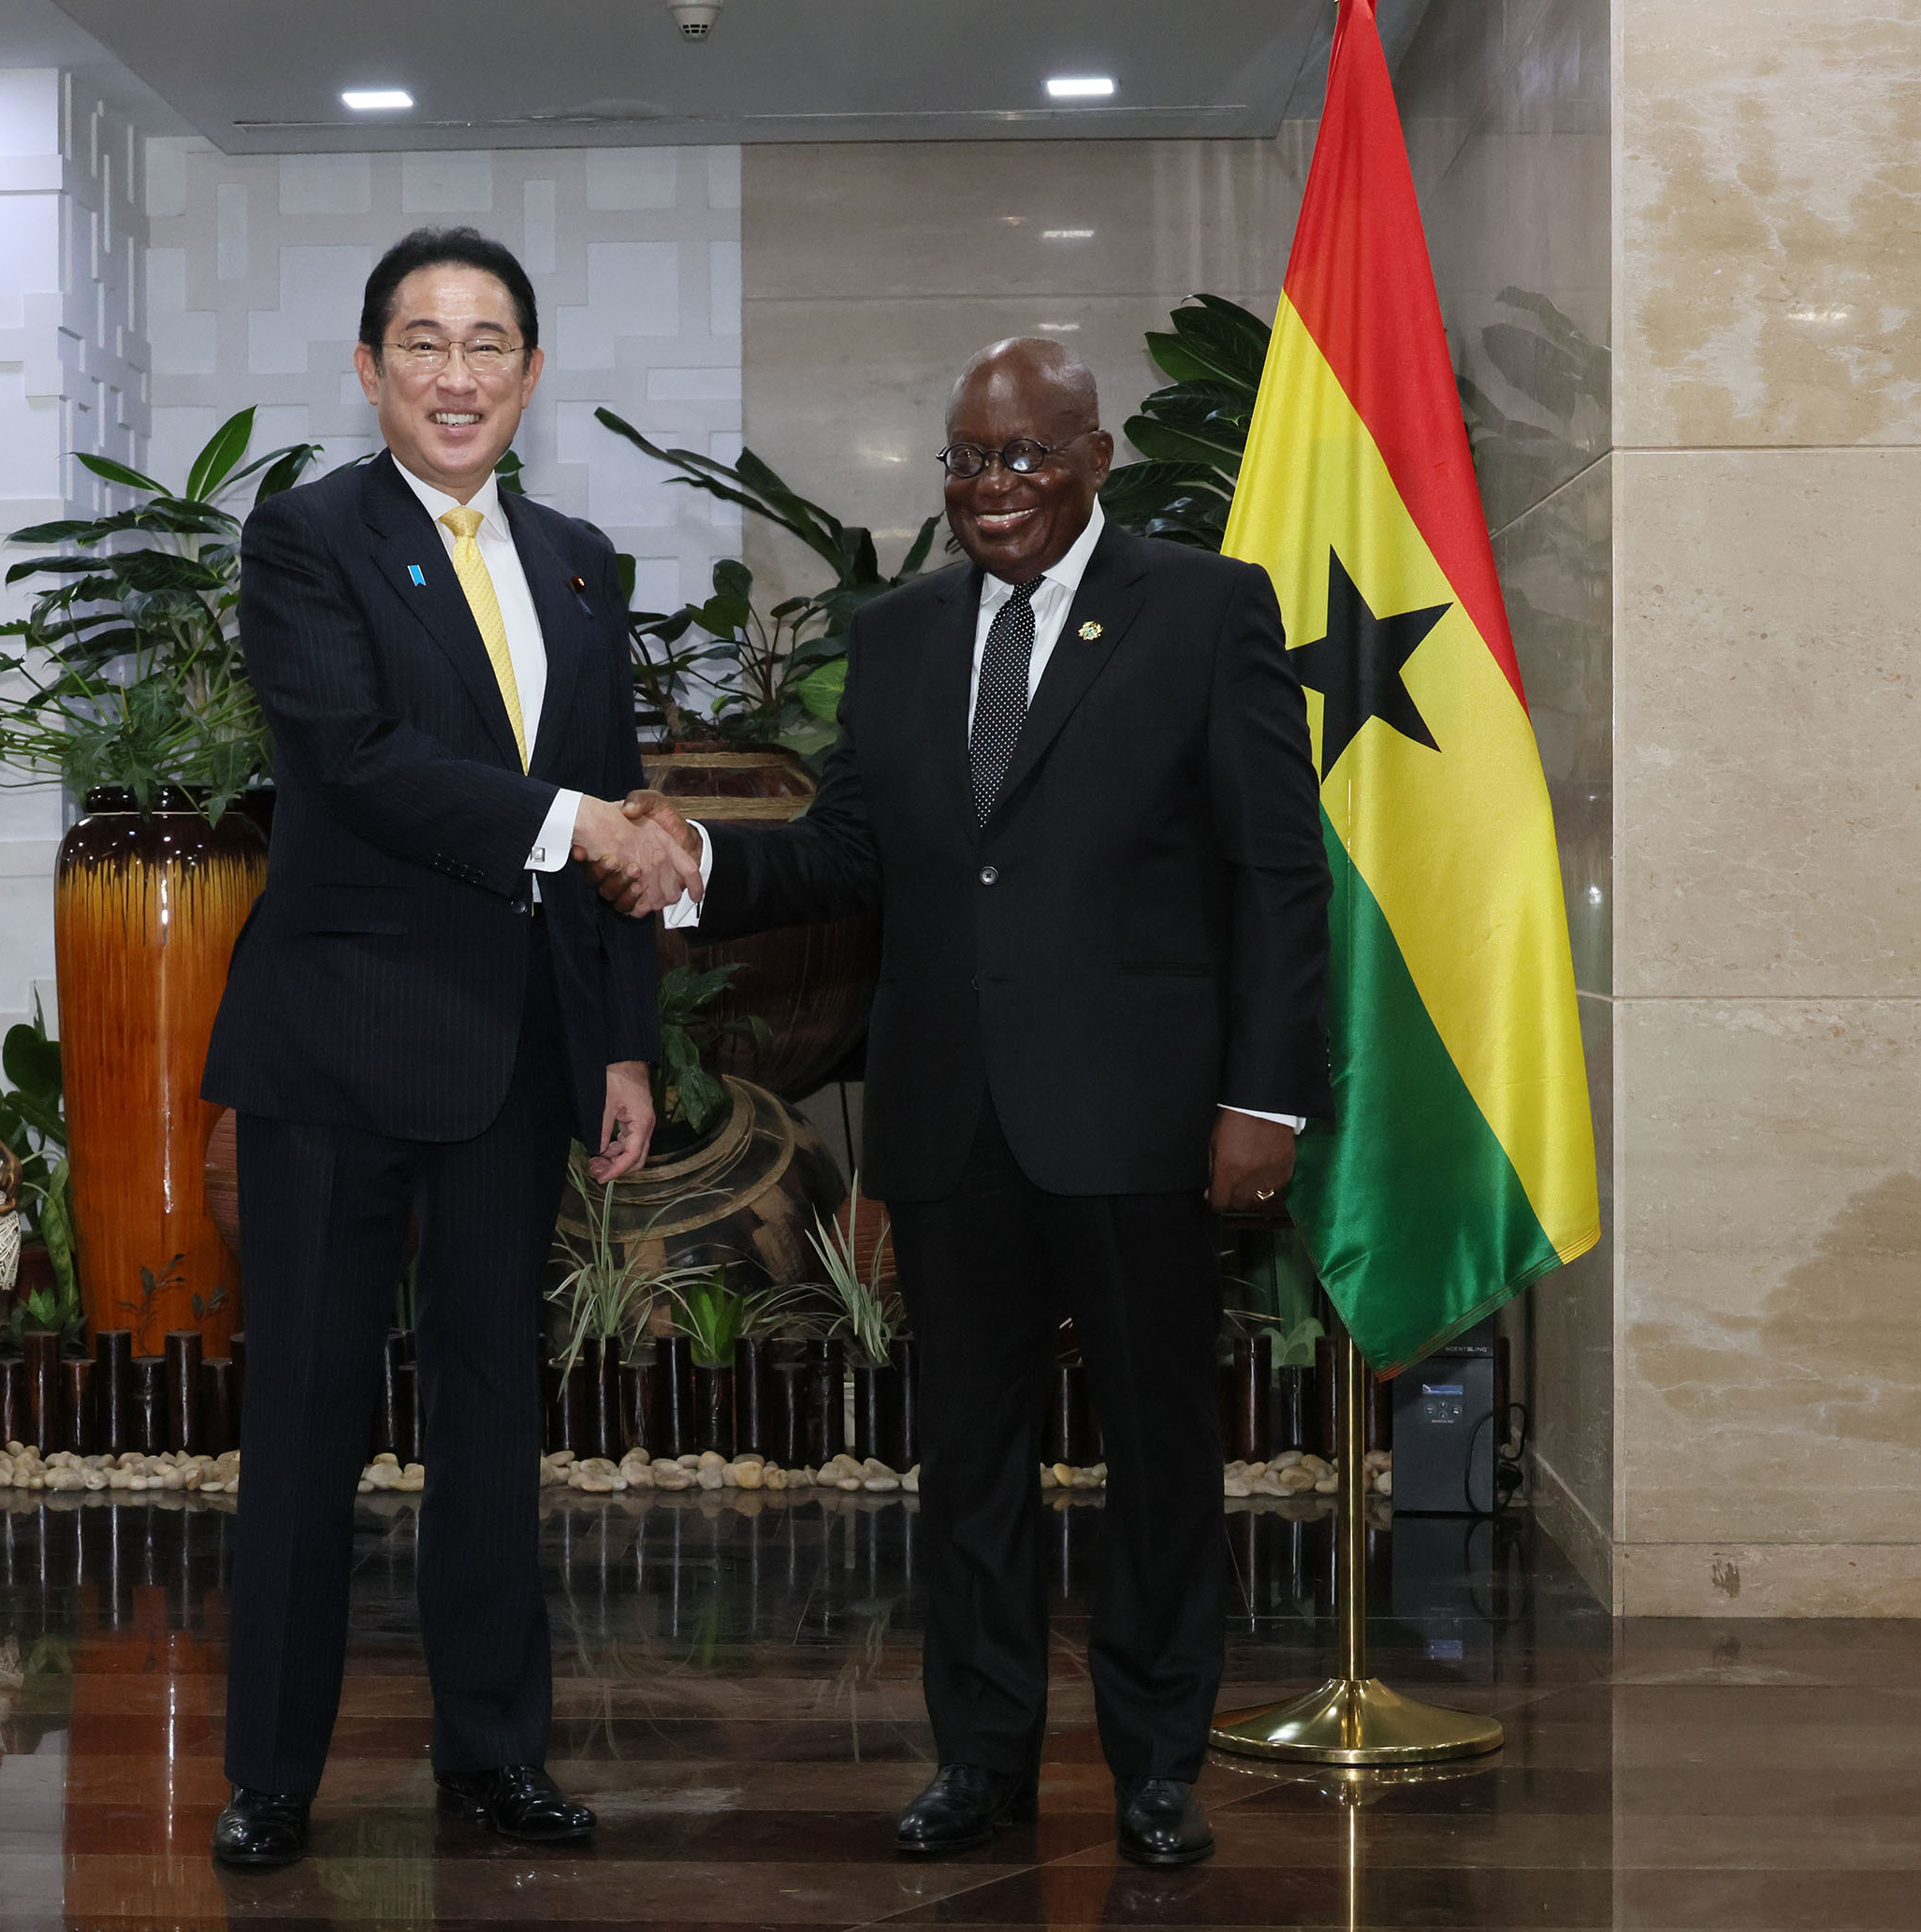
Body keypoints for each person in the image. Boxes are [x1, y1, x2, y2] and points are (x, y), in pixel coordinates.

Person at [600, 339, 1331, 1867]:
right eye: (967, 461)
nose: (993, 487)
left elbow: (1275, 870)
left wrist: (1265, 1099)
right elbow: (851, 849)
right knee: (969, 1462)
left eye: (1025, 455)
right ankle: (981, 1760)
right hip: (949, 1118)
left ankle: (1155, 1767)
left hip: (1137, 1114)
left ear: (1096, 455)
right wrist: (700, 859)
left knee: (1159, 1456)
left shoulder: (1205, 610)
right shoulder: (906, 631)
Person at [200, 226, 698, 1870]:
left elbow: (614, 798)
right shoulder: (307, 540)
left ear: (531, 375)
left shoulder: (578, 561)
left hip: (515, 1058)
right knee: (308, 1421)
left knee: (493, 1421)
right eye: (423, 342)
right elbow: (354, 758)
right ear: (370, 370)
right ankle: (273, 1776)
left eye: (490, 344)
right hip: (335, 1055)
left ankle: (494, 1751)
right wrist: (575, 825)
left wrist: (621, 1045)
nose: (456, 374)